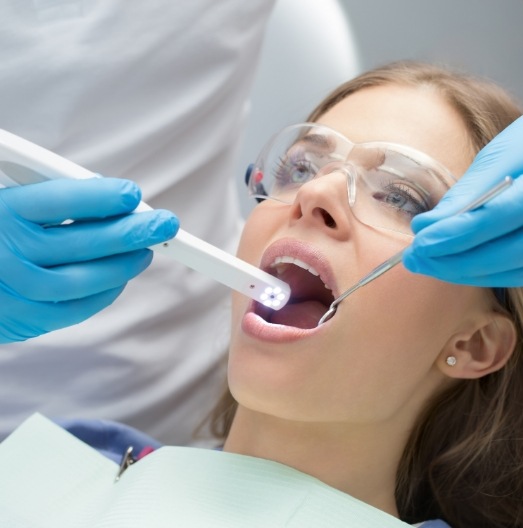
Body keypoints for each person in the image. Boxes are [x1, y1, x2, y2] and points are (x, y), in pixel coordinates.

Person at [7, 61, 518, 527]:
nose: (316, 194)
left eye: (399, 197)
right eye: (300, 168)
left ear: (475, 345)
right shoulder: (63, 461)